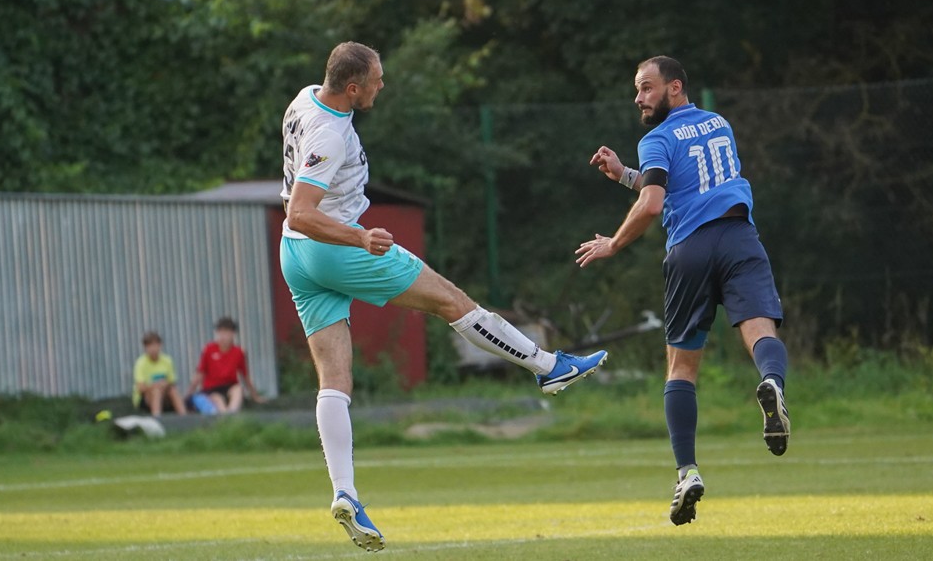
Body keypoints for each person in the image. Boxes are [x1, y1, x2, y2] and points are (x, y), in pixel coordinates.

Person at [280, 41, 608, 552]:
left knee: (335, 380)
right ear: (352, 87)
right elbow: (301, 212)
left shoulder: (304, 98)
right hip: (334, 248)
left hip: (295, 257)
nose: (382, 85)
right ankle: (547, 367)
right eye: (376, 79)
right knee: (452, 301)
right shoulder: (330, 133)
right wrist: (359, 238)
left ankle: (345, 493)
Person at [576, 56, 790, 526]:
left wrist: (614, 243)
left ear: (674, 87)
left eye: (646, 88)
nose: (639, 98)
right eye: (637, 89)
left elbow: (654, 202)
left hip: (691, 250)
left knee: (681, 367)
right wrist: (624, 174)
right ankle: (773, 383)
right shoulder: (718, 123)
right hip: (739, 237)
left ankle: (687, 471)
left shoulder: (657, 137)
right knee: (760, 331)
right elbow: (679, 185)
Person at [186, 316, 265, 414]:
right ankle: (225, 416)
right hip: (211, 388)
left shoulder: (239, 352)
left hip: (230, 386)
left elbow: (245, 376)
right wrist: (188, 394)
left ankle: (231, 413)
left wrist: (255, 396)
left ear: (233, 334)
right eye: (221, 332)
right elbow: (199, 374)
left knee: (238, 390)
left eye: (226, 332)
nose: (223, 336)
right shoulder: (209, 349)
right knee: (217, 399)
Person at [132, 331, 187, 417]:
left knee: (173, 391)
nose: (153, 349)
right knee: (156, 391)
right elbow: (141, 388)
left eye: (155, 345)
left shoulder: (167, 360)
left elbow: (172, 382)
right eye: (149, 346)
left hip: (165, 394)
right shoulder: (140, 363)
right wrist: (156, 385)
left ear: (160, 345)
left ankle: (184, 416)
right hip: (146, 397)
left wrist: (164, 384)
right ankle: (157, 417)